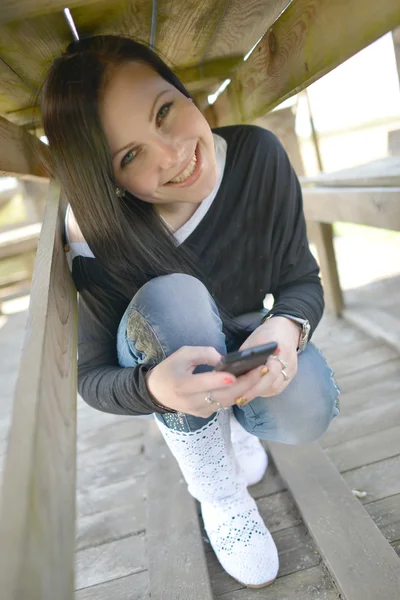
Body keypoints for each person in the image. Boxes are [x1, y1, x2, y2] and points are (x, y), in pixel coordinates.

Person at [41, 35, 340, 588]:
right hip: (170, 349)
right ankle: (219, 493)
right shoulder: (98, 237)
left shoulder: (255, 156)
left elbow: (301, 279)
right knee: (173, 295)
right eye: (130, 155)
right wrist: (156, 388)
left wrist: (288, 326)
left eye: (165, 112)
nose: (172, 154)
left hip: (246, 343)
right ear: (107, 178)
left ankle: (235, 424)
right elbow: (91, 377)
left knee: (311, 402)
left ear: (182, 90)